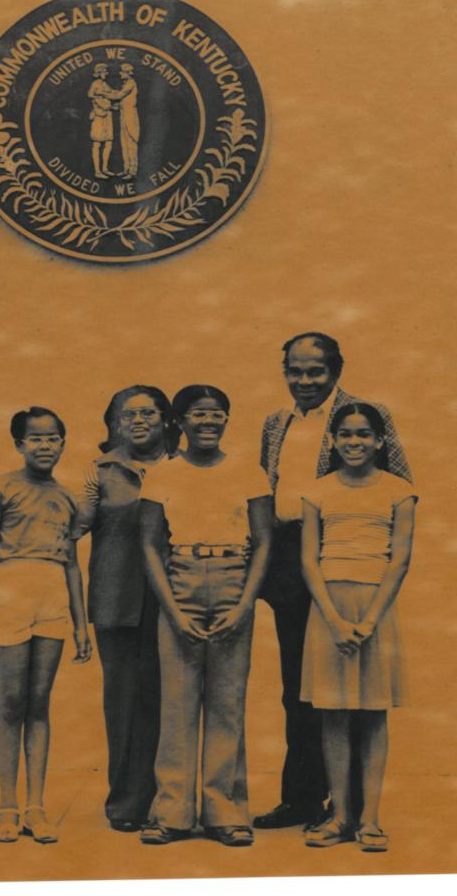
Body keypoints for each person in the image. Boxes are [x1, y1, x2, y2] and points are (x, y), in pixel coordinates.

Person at [254, 332, 411, 830]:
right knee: (299, 687)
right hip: (289, 558)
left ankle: (356, 810)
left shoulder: (364, 416)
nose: (304, 381)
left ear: (336, 370)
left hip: (347, 562)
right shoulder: (275, 423)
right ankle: (303, 799)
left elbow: (398, 482)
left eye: (315, 371)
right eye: (294, 372)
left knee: (357, 691)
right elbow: (265, 489)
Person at [138, 385, 273, 847]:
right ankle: (172, 813)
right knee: (177, 704)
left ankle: (226, 812)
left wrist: (244, 604)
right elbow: (150, 545)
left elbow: (265, 541)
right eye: (198, 414)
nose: (209, 422)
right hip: (182, 582)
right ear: (181, 421)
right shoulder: (163, 475)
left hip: (235, 580)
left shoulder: (248, 472)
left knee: (226, 703)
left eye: (218, 414)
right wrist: (172, 610)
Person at [300, 403, 417, 851]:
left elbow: (400, 559)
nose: (354, 443)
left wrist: (369, 620)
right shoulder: (317, 492)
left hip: (376, 610)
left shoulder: (399, 491)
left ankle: (370, 819)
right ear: (332, 441)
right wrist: (332, 618)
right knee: (332, 712)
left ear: (380, 441)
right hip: (328, 610)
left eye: (364, 435)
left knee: (372, 712)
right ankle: (341, 817)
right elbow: (309, 558)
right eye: (345, 435)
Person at [0, 406, 92, 844]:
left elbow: (73, 565)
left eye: (53, 438)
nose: (45, 446)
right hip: (10, 591)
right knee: (12, 700)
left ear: (63, 442)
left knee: (39, 701)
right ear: (19, 444)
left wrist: (82, 624)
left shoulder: (68, 496)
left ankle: (35, 807)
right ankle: (6, 805)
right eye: (35, 438)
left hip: (53, 595)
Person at [75, 385, 173, 833]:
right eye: (127, 414)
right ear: (113, 421)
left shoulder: (183, 465)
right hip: (117, 598)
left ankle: (173, 800)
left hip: (175, 595)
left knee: (169, 698)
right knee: (124, 701)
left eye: (149, 413)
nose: (139, 421)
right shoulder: (97, 471)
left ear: (166, 420)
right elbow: (72, 527)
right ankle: (127, 803)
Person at [117, 63, 140, 178]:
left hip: (130, 116)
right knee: (124, 144)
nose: (120, 73)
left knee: (131, 143)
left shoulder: (130, 84)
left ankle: (133, 171)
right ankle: (126, 169)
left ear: (127, 73)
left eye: (122, 72)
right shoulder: (125, 84)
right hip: (123, 116)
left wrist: (100, 92)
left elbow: (118, 96)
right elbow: (121, 101)